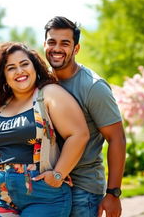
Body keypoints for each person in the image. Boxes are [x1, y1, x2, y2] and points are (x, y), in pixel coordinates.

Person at [0, 42, 90, 217]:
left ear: (34, 66)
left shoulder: (48, 94)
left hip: (44, 196)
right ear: (3, 75)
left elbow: (79, 134)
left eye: (24, 64)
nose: (19, 71)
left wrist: (57, 175)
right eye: (11, 68)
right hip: (2, 198)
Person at [43, 16, 126, 217]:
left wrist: (113, 194)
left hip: (83, 190)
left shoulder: (93, 87)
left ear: (76, 49)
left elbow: (117, 138)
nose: (57, 48)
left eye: (65, 43)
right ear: (44, 44)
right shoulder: (40, 80)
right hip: (48, 187)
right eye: (52, 42)